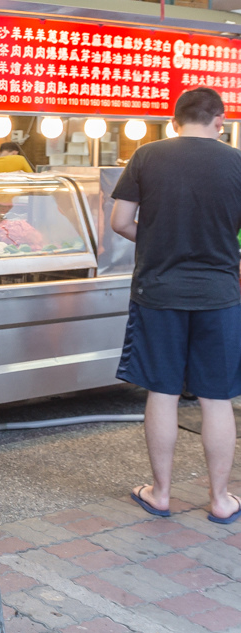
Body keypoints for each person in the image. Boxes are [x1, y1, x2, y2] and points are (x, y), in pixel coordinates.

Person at [110, 87, 241, 525]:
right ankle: (220, 499)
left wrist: (155, 240)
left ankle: (161, 493)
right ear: (219, 122)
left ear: (174, 120)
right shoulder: (237, 162)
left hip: (158, 292)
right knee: (217, 398)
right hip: (220, 296)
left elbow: (120, 222)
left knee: (162, 392)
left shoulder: (147, 156)